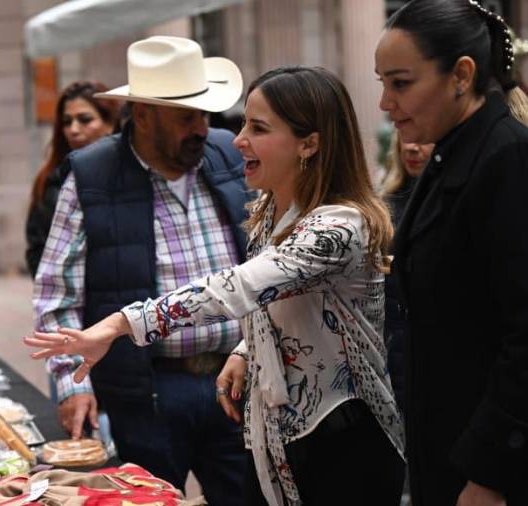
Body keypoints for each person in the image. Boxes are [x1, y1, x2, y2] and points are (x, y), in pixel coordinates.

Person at [29, 66, 406, 506]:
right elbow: (279, 300)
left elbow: (237, 287)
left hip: (341, 441)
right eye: (244, 124)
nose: (236, 139)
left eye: (257, 128)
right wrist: (247, 351)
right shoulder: (272, 212)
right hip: (273, 434)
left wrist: (118, 324)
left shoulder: (338, 226)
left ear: (309, 144)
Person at [33, 36, 250, 504]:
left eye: (204, 115)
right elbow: (56, 294)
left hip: (238, 381)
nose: (201, 128)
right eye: (186, 117)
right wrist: (72, 383)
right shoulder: (92, 175)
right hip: (146, 394)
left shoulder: (229, 154)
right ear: (145, 114)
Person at [375, 1, 528, 504]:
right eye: (382, 83)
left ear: (461, 75)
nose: (385, 102)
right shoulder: (451, 151)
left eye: (401, 83)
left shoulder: (507, 157)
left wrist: (489, 475)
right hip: (446, 448)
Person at [25, 81, 120, 277]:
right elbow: (38, 249)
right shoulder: (50, 181)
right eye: (67, 122)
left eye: (85, 119)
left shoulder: (136, 174)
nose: (74, 129)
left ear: (110, 123)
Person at [381, 131, 433, 412]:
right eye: (405, 136)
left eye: (424, 138)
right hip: (393, 359)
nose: (412, 146)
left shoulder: (453, 202)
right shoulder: (384, 207)